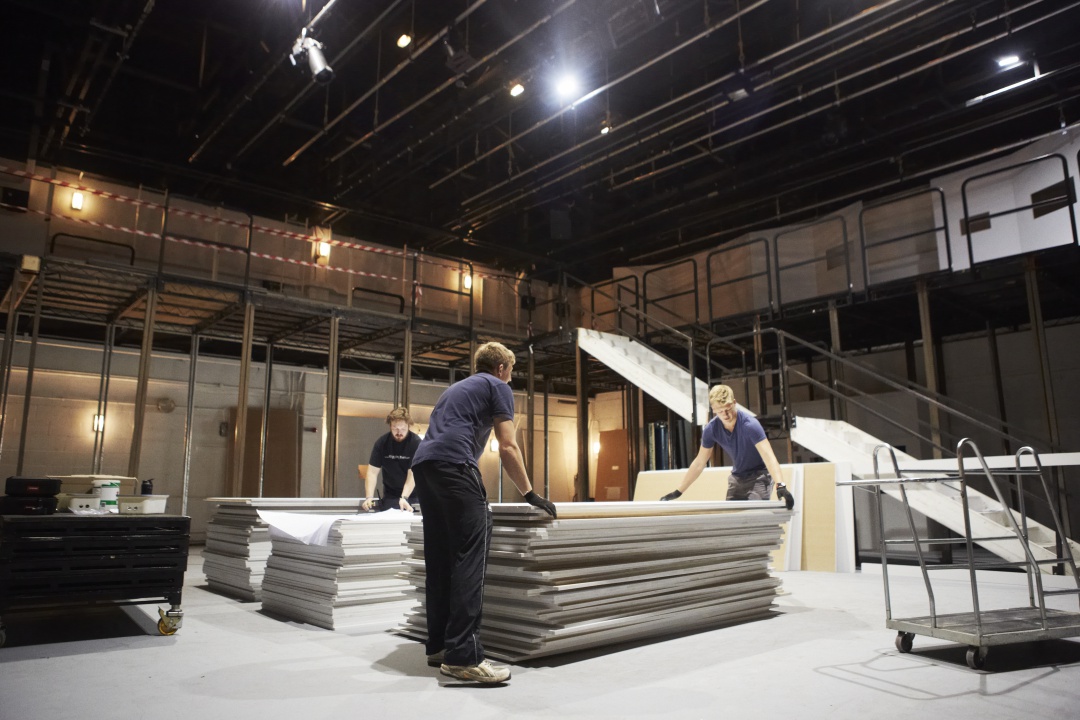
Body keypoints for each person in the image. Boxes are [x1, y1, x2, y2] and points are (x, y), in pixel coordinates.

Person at [410, 341, 557, 684]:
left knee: (441, 558)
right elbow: (507, 445)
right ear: (502, 368)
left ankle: (440, 646)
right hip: (454, 465)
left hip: (425, 468)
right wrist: (530, 493)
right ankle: (464, 656)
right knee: (469, 556)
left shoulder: (455, 389)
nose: (511, 378)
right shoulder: (497, 386)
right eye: (511, 371)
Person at [660, 384, 793, 507]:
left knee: (753, 514)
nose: (726, 414)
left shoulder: (750, 425)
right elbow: (699, 463)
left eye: (728, 409)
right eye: (720, 411)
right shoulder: (711, 429)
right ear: (713, 410)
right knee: (731, 517)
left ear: (734, 403)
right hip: (737, 477)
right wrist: (678, 492)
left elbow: (769, 457)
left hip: (759, 475)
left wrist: (780, 485)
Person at [361, 407, 420, 512]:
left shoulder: (416, 443)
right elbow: (372, 472)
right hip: (390, 495)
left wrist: (404, 497)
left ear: (408, 426)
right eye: (395, 428)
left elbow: (413, 474)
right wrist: (369, 497)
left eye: (403, 429)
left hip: (413, 495)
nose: (399, 432)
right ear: (390, 426)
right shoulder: (382, 443)